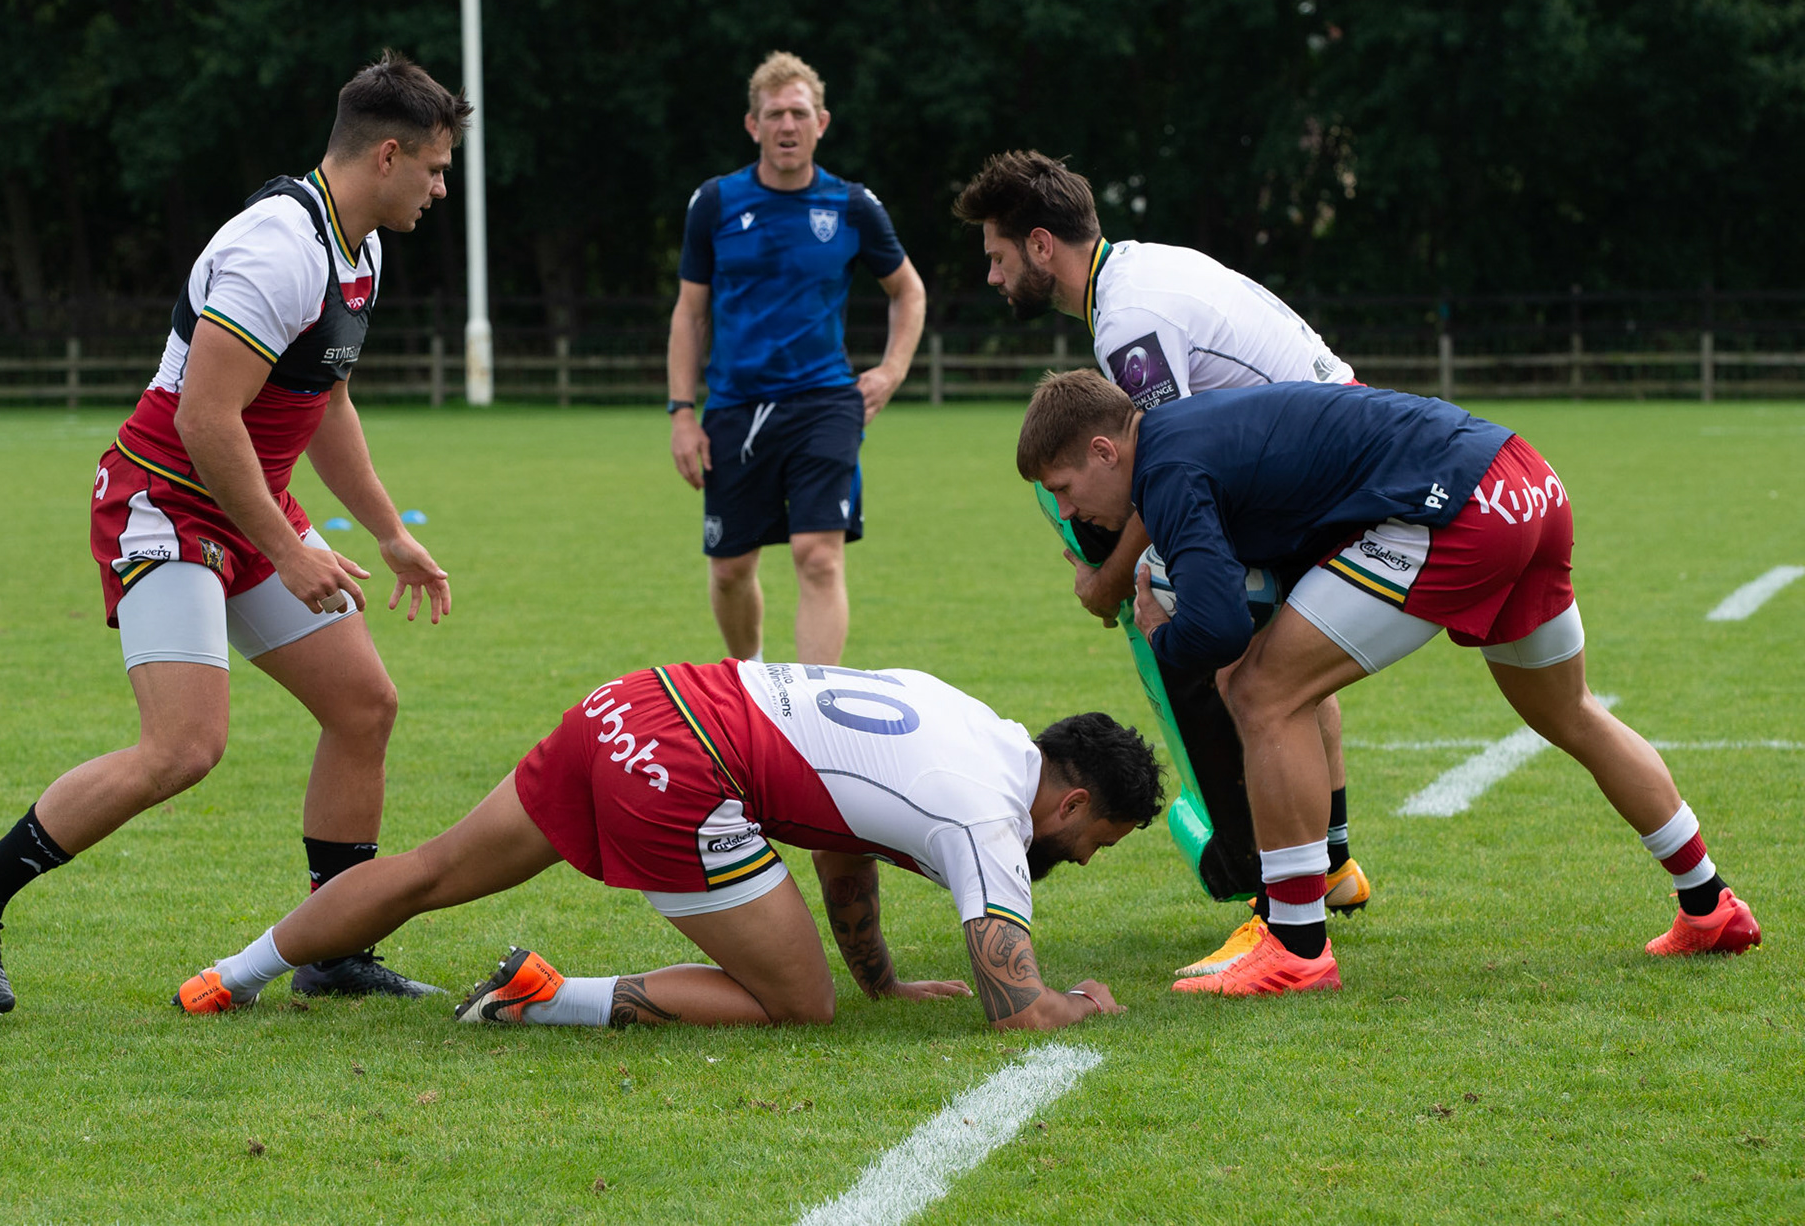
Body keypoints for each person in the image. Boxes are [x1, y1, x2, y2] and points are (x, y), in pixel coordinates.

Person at [0, 52, 470, 1013]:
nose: (441, 186)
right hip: (165, 498)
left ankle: (335, 946)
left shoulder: (359, 247)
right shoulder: (277, 248)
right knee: (182, 747)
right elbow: (203, 421)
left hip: (246, 501)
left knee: (363, 707)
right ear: (388, 155)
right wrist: (291, 549)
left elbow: (324, 400)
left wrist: (385, 532)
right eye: (435, 167)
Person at [1017, 369, 1763, 995]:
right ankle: (1710, 903)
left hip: (1456, 511)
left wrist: (1157, 628)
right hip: (1524, 478)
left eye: (1066, 487)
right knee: (1570, 709)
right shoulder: (1191, 433)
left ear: (1105, 450)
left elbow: (1216, 629)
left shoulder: (1166, 470)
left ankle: (1299, 948)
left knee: (1263, 692)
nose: (1074, 511)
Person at [174, 660, 1163, 1031]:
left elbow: (845, 843)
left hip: (639, 700)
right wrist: (1081, 1002)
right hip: (686, 775)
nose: (1077, 863)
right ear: (1070, 806)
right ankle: (545, 1000)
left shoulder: (966, 716)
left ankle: (228, 977)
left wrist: (886, 982)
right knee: (798, 1006)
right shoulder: (989, 821)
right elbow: (1017, 1008)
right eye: (1095, 845)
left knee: (430, 868)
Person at [952, 150, 1369, 973]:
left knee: (1236, 669)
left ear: (1041, 246)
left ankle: (1277, 896)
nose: (995, 278)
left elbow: (1168, 472)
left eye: (998, 257)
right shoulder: (1140, 271)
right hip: (1335, 451)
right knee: (1284, 665)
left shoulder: (1127, 325)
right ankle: (1333, 865)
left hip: (1322, 477)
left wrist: (1107, 583)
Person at [666, 52, 927, 667]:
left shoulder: (853, 206)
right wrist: (682, 411)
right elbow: (689, 313)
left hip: (825, 401)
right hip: (735, 407)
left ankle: (812, 711)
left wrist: (891, 371)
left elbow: (909, 291)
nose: (788, 125)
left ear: (822, 122)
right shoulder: (714, 203)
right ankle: (753, 680)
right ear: (753, 125)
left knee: (818, 554)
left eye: (800, 113)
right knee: (731, 567)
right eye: (775, 114)